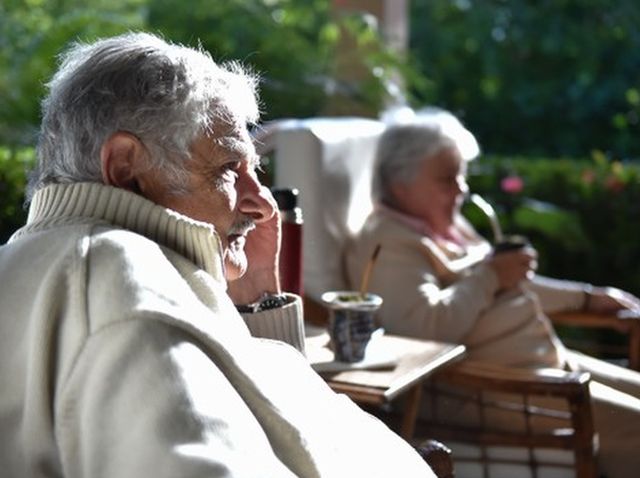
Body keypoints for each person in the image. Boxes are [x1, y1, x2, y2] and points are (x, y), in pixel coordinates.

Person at [0, 32, 437, 477]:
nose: (264, 203)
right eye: (229, 169)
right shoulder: (118, 278)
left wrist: (255, 305)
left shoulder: (76, 267)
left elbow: (286, 433)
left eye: (256, 170)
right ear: (126, 170)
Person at [345, 107, 640, 478]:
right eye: (446, 179)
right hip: (502, 392)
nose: (462, 190)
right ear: (400, 184)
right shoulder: (388, 242)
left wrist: (587, 297)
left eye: (461, 177)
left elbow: (508, 280)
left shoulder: (444, 225)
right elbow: (422, 328)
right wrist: (488, 276)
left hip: (547, 366)